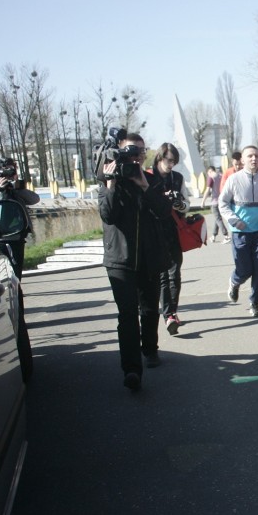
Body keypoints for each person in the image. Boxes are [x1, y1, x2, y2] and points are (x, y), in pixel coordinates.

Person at [98, 132, 172, 391]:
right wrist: (110, 184)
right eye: (131, 152)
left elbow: (164, 213)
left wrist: (144, 185)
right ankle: (131, 370)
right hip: (120, 258)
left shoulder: (151, 180)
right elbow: (108, 215)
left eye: (141, 152)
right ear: (119, 153)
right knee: (127, 315)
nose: (136, 157)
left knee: (150, 309)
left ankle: (150, 349)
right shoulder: (109, 180)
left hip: (149, 257)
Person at [219, 145, 258, 317]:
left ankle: (255, 302)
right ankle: (235, 282)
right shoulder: (234, 179)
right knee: (245, 269)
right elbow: (222, 203)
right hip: (240, 232)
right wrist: (234, 220)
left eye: (256, 156)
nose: (254, 159)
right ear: (243, 160)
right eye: (250, 156)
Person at [148, 143, 190, 336]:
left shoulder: (177, 178)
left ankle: (171, 313)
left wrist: (179, 203)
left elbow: (186, 205)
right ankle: (168, 314)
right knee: (163, 275)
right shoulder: (147, 176)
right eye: (168, 160)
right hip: (154, 231)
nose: (171, 164)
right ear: (159, 157)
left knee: (175, 273)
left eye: (174, 161)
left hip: (173, 230)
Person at [0, 156, 39, 278]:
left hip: (18, 235)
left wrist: (16, 186)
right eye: (7, 171)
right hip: (3, 238)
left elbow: (35, 199)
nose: (9, 174)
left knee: (17, 272)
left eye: (12, 170)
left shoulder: (15, 188)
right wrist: (0, 192)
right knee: (9, 274)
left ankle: (17, 291)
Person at [203, 165, 229, 243]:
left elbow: (207, 190)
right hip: (222, 200)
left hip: (214, 202)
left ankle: (226, 235)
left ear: (209, 171)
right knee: (217, 218)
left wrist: (203, 201)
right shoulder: (221, 175)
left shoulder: (211, 177)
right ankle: (214, 235)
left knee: (218, 219)